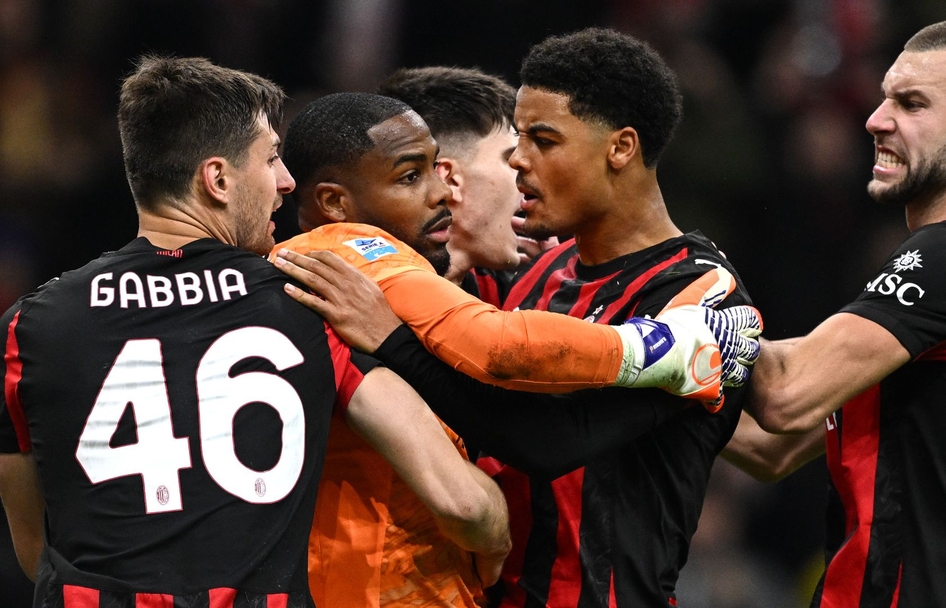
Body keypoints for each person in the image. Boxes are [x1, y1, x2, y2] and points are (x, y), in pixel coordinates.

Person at [0, 55, 509, 607]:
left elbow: (34, 548)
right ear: (217, 179)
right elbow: (464, 504)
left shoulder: (27, 326)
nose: (287, 183)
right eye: (271, 159)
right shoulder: (306, 299)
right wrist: (497, 540)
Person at [275, 28, 759, 606]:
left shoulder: (704, 298)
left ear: (621, 148)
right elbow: (458, 314)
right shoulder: (532, 276)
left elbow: (550, 439)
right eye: (516, 142)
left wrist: (393, 340)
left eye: (543, 141)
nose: (521, 161)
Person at [745, 21, 946, 607]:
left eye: (910, 104)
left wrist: (677, 298)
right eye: (884, 96)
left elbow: (785, 393)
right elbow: (772, 447)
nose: (875, 119)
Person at [375, 65, 549, 300]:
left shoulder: (520, 291)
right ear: (448, 180)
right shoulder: (352, 297)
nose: (528, 174)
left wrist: (554, 285)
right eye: (509, 159)